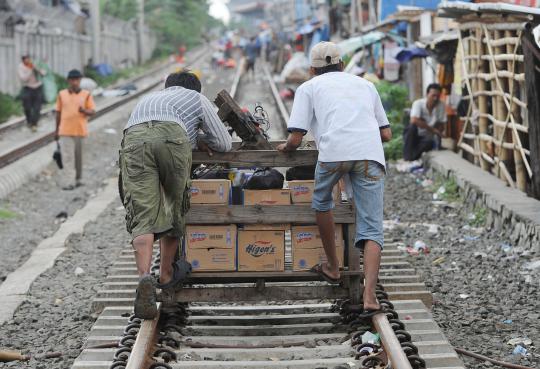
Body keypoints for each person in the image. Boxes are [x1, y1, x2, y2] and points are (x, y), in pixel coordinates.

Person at [277, 42, 392, 316]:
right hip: (369, 156)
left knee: (322, 203)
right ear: (342, 64)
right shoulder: (366, 85)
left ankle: (332, 265)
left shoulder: (308, 87)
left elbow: (295, 137)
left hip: (334, 155)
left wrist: (285, 149)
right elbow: (386, 134)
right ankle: (370, 297)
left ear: (312, 69)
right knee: (372, 226)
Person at [121, 71, 232, 319]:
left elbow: (151, 131)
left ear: (167, 86)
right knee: (174, 204)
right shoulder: (195, 98)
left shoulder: (149, 99)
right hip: (173, 137)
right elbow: (224, 144)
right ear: (196, 88)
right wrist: (200, 138)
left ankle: (143, 277)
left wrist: (193, 137)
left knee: (143, 212)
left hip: (134, 138)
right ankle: (166, 275)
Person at [55, 69, 96, 190]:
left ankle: (78, 179)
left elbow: (93, 111)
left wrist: (84, 111)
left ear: (80, 80)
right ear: (68, 81)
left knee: (79, 157)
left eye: (77, 80)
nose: (74, 82)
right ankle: (69, 182)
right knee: (67, 158)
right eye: (72, 80)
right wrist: (56, 130)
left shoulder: (86, 94)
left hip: (80, 131)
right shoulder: (62, 94)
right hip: (65, 131)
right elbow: (58, 113)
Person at [403, 83, 447, 161]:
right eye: (433, 95)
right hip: (414, 135)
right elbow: (414, 120)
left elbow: (442, 124)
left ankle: (410, 158)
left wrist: (439, 132)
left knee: (430, 142)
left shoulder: (441, 105)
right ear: (427, 94)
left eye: (438, 96)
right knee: (411, 128)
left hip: (426, 137)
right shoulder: (418, 103)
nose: (435, 98)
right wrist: (433, 130)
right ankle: (408, 157)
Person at [18, 55, 45, 132]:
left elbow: (44, 73)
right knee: (27, 107)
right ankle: (29, 121)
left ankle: (34, 124)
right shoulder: (21, 67)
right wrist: (30, 70)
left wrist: (37, 69)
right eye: (25, 60)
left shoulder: (35, 64)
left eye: (28, 59)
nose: (27, 61)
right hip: (28, 88)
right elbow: (23, 79)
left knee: (37, 107)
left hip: (38, 87)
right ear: (23, 61)